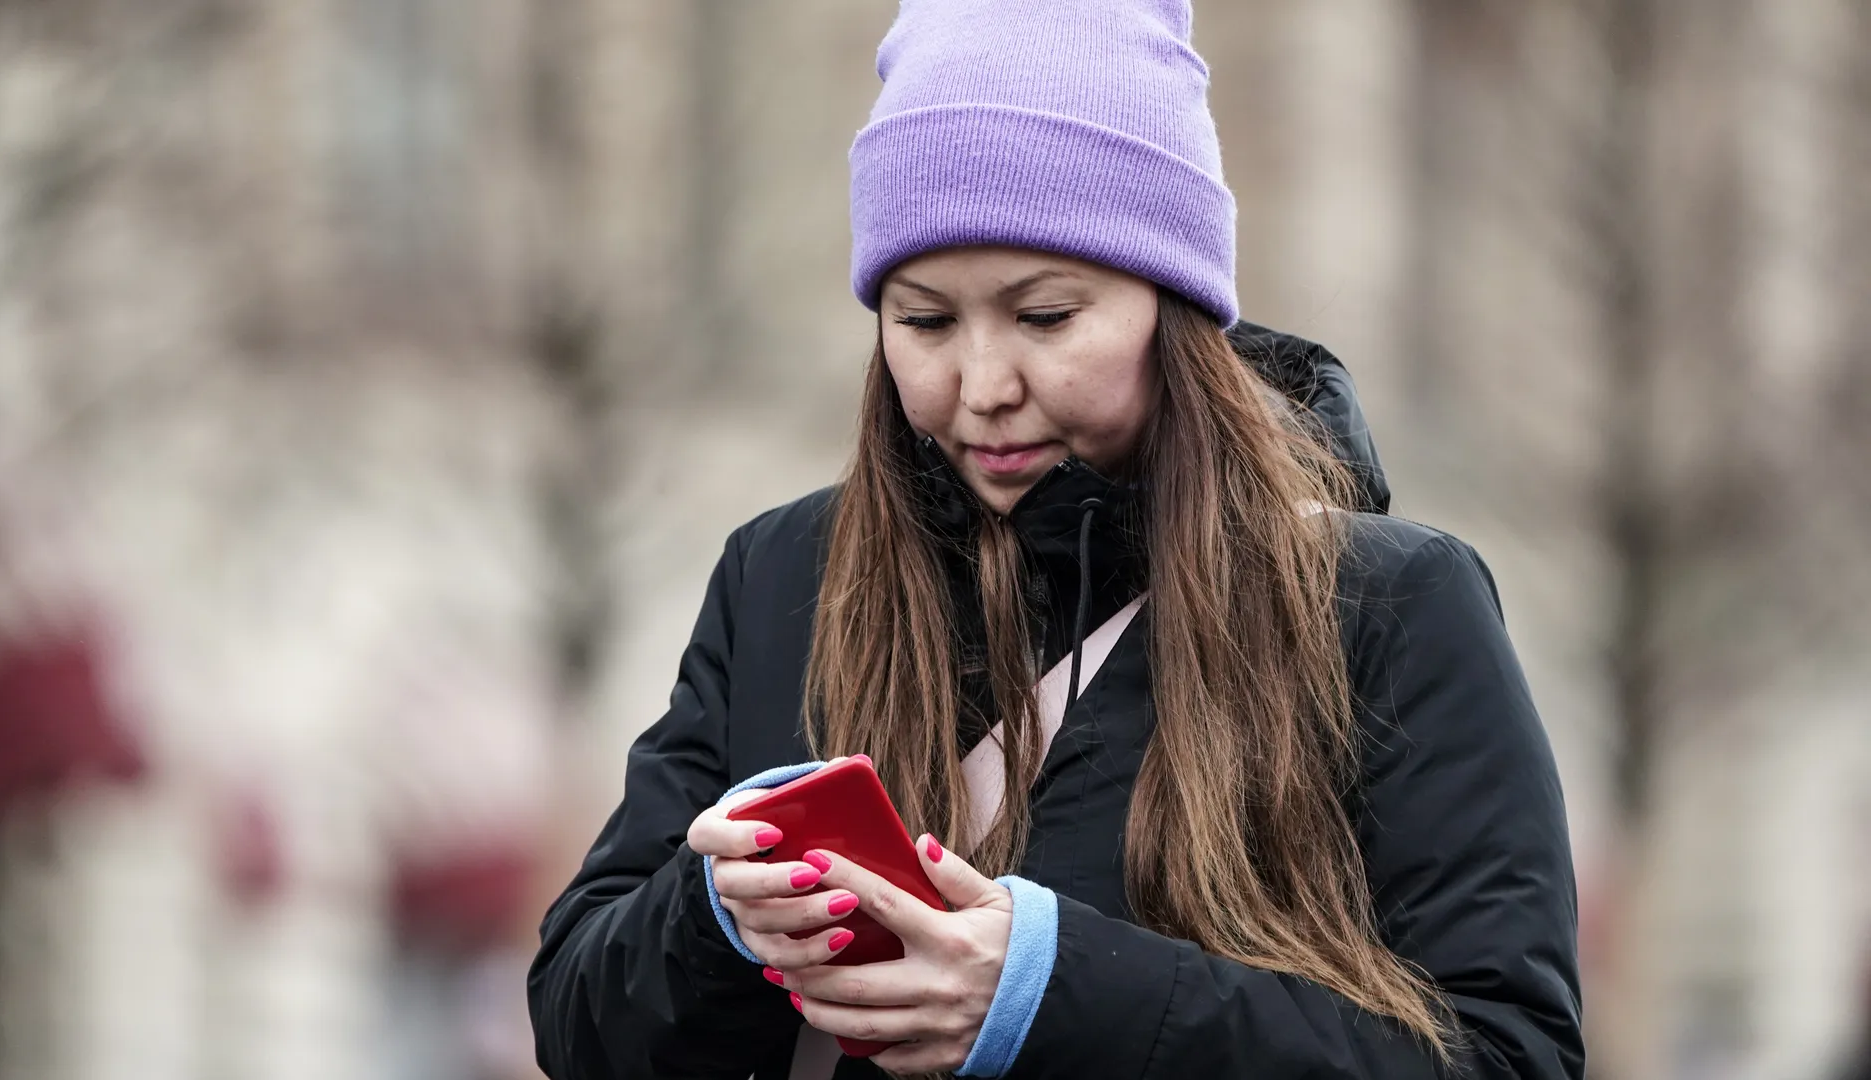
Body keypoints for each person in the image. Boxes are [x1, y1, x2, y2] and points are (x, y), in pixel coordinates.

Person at [526, 0, 1583, 1076]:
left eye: (1045, 318)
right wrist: (715, 916)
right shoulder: (781, 577)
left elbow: (1507, 1055)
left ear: (1175, 310)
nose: (983, 389)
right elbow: (578, 1026)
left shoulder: (1385, 605)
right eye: (924, 321)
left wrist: (1047, 989)